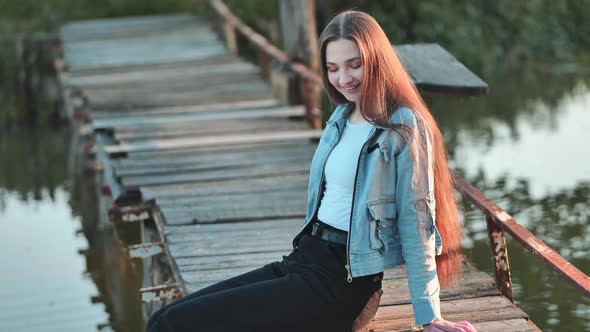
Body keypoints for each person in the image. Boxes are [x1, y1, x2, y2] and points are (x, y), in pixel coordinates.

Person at [146, 10, 476, 332]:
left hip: (341, 286)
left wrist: (428, 315)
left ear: (377, 60)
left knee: (175, 325)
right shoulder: (341, 117)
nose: (343, 78)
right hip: (304, 260)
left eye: (354, 64)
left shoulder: (402, 125)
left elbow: (416, 219)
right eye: (333, 68)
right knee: (163, 318)